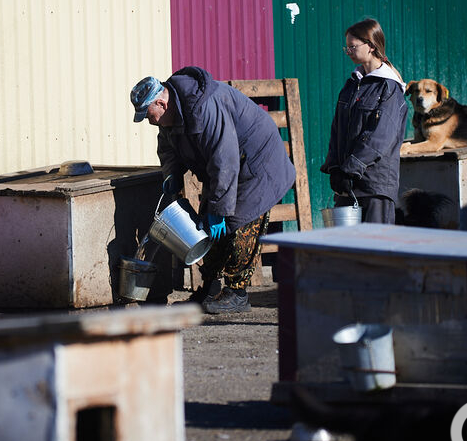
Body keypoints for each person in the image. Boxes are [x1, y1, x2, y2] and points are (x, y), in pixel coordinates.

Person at [130, 66, 295, 314]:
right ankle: (209, 287)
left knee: (239, 223)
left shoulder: (205, 108)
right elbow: (167, 150)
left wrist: (220, 208)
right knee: (207, 224)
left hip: (256, 165)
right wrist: (171, 174)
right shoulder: (167, 120)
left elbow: (224, 160)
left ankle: (237, 293)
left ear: (162, 104)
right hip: (226, 170)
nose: (149, 121)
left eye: (149, 115)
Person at [321, 18, 408, 224]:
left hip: (374, 186)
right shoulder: (352, 84)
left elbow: (380, 138)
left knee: (375, 251)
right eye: (347, 47)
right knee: (345, 250)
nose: (348, 51)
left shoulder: (389, 88)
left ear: (370, 46)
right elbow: (337, 129)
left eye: (352, 46)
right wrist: (334, 167)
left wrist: (351, 168)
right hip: (347, 184)